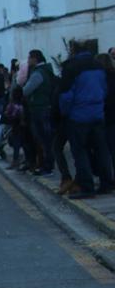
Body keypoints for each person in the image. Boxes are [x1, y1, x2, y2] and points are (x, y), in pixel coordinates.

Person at [59, 42, 113, 198]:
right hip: (97, 114)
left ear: (73, 51)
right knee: (102, 151)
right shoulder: (98, 65)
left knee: (80, 152)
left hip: (78, 116)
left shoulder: (72, 68)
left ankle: (87, 187)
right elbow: (104, 90)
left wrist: (66, 113)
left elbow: (66, 96)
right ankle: (106, 184)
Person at [23, 50, 56, 175]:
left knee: (43, 139)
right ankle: (47, 165)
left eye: (29, 58)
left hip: (39, 108)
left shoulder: (38, 73)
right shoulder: (48, 70)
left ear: (35, 58)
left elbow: (26, 90)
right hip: (45, 107)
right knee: (46, 139)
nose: (28, 60)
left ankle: (47, 166)